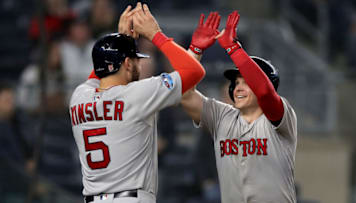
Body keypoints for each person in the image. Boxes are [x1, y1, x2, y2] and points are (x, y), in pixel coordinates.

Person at [69, 3, 205, 203]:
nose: (140, 64)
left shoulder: (78, 97)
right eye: (136, 59)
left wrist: (119, 40)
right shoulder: (138, 94)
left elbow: (99, 74)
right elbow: (195, 72)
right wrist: (156, 35)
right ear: (126, 64)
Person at [182, 11, 298, 203]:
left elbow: (265, 93)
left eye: (246, 82)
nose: (238, 87)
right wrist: (194, 51)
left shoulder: (280, 118)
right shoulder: (221, 116)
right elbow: (184, 94)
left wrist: (233, 48)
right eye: (236, 82)